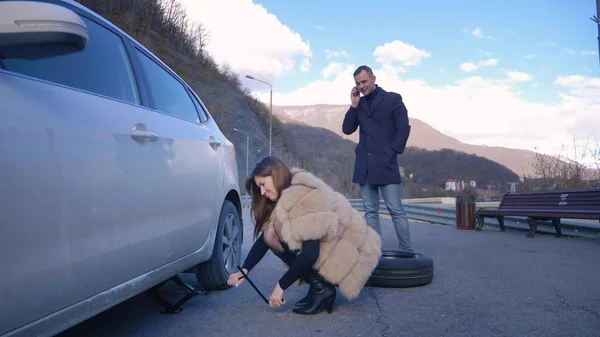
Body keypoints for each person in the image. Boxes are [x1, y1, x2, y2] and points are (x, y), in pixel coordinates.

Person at [228, 156, 381, 315]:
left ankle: (322, 288)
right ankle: (319, 287)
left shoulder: (302, 197)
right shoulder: (288, 192)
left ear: (275, 175)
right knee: (271, 233)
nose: (262, 192)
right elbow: (265, 239)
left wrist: (280, 286)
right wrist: (245, 270)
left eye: (263, 184)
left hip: (351, 255)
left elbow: (310, 253)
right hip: (335, 250)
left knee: (278, 228)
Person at [342, 65, 413, 251]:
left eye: (364, 81)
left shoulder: (392, 99)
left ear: (374, 78)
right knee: (370, 212)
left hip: (386, 163)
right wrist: (354, 105)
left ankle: (407, 251)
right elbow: (347, 129)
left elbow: (403, 127)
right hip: (364, 165)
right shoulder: (360, 104)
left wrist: (392, 151)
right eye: (358, 83)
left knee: (396, 211)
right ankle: (375, 252)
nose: (361, 86)